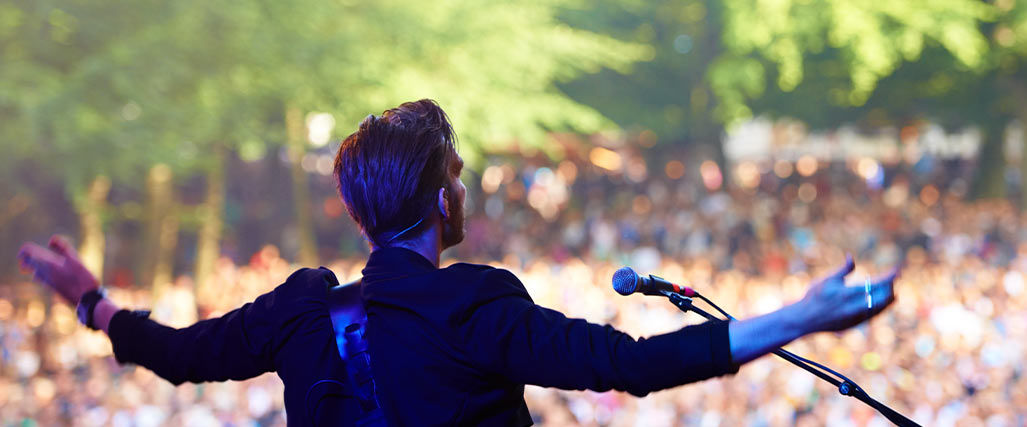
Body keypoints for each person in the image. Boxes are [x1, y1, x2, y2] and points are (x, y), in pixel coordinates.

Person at [17, 99, 897, 426]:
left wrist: (93, 302)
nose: (465, 189)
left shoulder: (299, 311)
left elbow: (179, 354)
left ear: (358, 212)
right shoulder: (472, 306)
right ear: (443, 200)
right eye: (460, 174)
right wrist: (800, 317)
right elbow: (629, 364)